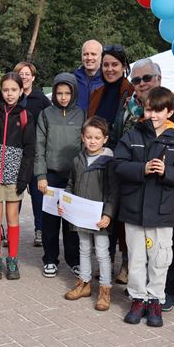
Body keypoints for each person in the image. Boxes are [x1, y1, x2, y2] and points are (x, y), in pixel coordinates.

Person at [115, 87, 174, 327]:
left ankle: (155, 300)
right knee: (136, 257)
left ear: (169, 111)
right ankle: (137, 298)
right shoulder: (132, 135)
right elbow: (118, 165)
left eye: (159, 110)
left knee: (160, 258)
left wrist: (167, 172)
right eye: (149, 110)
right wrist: (142, 169)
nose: (153, 115)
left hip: (162, 211)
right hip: (134, 209)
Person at [129, 58, 174, 312]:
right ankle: (140, 289)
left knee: (165, 242)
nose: (142, 83)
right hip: (139, 185)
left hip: (168, 187)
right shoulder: (129, 108)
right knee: (138, 240)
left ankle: (167, 288)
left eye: (147, 78)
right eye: (137, 80)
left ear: (158, 79)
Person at [88, 45, 137, 286]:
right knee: (103, 210)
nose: (109, 69)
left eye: (114, 65)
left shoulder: (130, 91)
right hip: (99, 158)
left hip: (122, 158)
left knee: (121, 212)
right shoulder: (97, 92)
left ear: (123, 66)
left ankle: (126, 262)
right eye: (105, 65)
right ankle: (105, 260)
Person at [60, 116, 119, 311]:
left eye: (97, 137)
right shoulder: (78, 159)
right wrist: (65, 203)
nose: (92, 141)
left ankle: (105, 288)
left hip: (99, 218)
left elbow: (113, 191)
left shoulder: (109, 162)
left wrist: (108, 215)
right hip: (80, 216)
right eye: (88, 137)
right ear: (82, 138)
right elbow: (70, 184)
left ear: (105, 139)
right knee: (83, 249)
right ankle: (84, 283)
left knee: (102, 253)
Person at [34, 73, 85, 278]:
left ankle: (73, 260)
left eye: (67, 93)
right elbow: (39, 145)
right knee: (50, 221)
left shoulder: (81, 114)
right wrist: (40, 175)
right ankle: (50, 259)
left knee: (71, 222)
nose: (63, 97)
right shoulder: (46, 114)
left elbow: (85, 145)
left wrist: (83, 174)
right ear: (54, 93)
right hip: (51, 176)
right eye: (59, 93)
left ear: (74, 93)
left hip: (73, 176)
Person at [0, 72, 36, 280]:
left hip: (14, 173)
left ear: (20, 90)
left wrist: (24, 178)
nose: (9, 94)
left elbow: (30, 149)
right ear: (1, 90)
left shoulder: (26, 115)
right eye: (6, 90)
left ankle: (13, 259)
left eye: (14, 90)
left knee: (13, 218)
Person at [13, 61, 50, 247]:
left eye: (27, 74)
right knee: (14, 195)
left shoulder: (41, 99)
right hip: (16, 153)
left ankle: (40, 229)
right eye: (20, 73)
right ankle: (10, 230)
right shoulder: (10, 96)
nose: (24, 77)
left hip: (35, 153)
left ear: (33, 77)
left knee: (37, 194)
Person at [74, 39, 104, 112]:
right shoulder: (73, 80)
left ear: (102, 57)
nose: (89, 58)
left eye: (93, 54)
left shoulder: (108, 81)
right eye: (85, 54)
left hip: (99, 122)